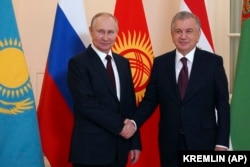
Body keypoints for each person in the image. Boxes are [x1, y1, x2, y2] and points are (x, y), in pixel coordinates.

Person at [122, 11, 230, 167]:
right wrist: (133, 123)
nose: (183, 36)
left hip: (204, 142)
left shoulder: (213, 63)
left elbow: (223, 106)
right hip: (170, 144)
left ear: (198, 34)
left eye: (189, 31)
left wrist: (222, 143)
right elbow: (150, 101)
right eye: (178, 31)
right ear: (172, 34)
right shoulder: (160, 63)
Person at [67, 12, 141, 167]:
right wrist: (121, 126)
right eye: (101, 31)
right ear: (91, 31)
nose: (106, 37)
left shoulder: (123, 63)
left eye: (110, 32)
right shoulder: (78, 63)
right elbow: (86, 104)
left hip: (119, 149)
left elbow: (129, 104)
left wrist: (134, 142)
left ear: (117, 33)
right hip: (90, 152)